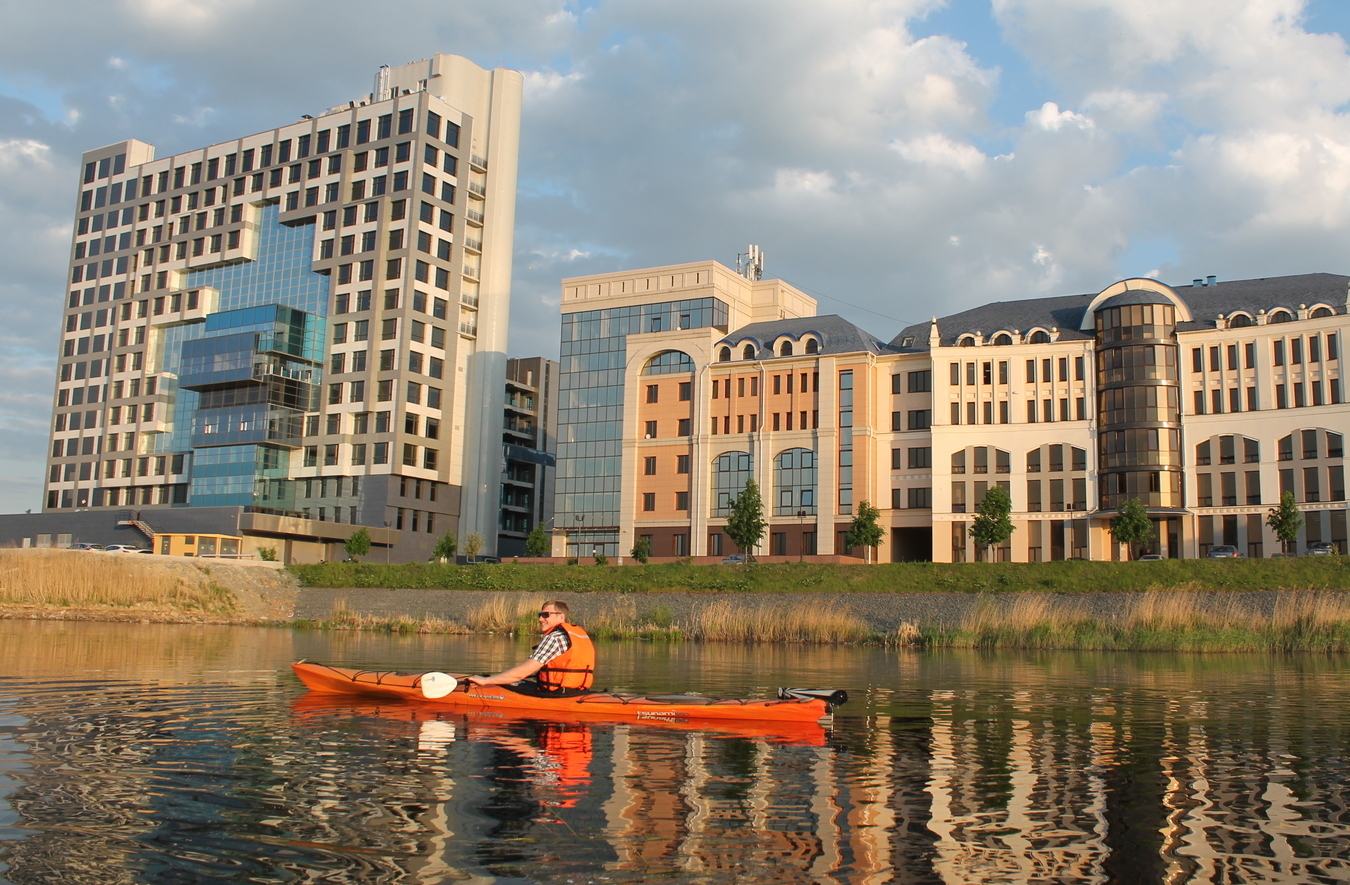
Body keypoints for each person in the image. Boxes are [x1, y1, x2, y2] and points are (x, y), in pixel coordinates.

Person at [466, 600, 595, 696]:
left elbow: (523, 672)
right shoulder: (579, 635)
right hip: (578, 691)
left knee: (507, 682)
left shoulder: (554, 638)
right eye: (540, 615)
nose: (540, 619)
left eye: (546, 615)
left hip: (557, 695)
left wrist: (487, 680)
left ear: (561, 617)